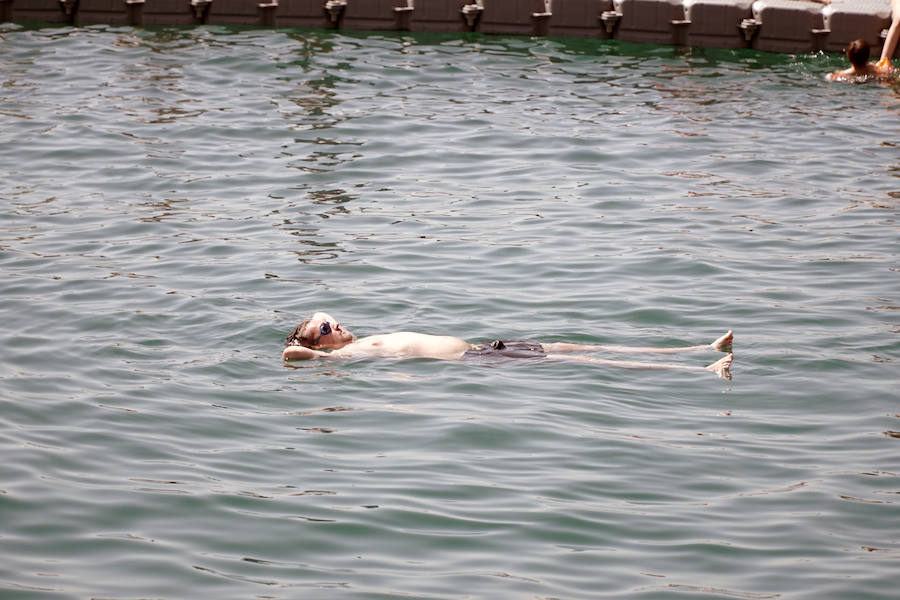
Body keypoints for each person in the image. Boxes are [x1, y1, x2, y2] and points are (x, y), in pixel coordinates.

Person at [282, 312, 735, 379]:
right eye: (327, 328)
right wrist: (313, 352)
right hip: (476, 360)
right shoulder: (345, 357)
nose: (337, 327)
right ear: (318, 345)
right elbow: (290, 353)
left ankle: (693, 351)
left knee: (568, 346)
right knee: (580, 359)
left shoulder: (361, 343)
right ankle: (698, 372)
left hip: (484, 347)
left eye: (336, 319)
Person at [827, 39, 895, 82]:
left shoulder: (840, 74)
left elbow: (829, 77)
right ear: (868, 57)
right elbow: (889, 73)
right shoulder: (879, 71)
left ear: (848, 56)